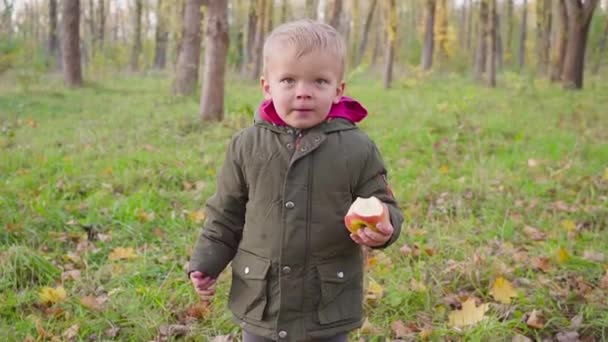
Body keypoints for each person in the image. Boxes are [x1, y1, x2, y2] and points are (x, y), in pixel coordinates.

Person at [188, 19, 403, 342]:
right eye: (288, 80)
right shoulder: (247, 146)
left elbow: (383, 203)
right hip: (262, 298)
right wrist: (207, 261)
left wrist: (385, 227)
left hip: (326, 301)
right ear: (267, 86)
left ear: (338, 90)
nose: (303, 92)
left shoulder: (357, 148)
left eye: (319, 81)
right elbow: (226, 212)